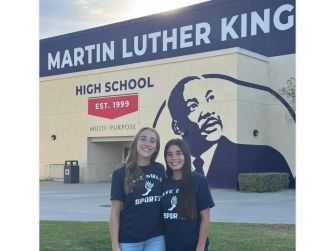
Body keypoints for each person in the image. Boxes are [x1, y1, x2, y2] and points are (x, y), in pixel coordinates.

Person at [167, 74, 295, 189]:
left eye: (210, 99)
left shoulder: (271, 155)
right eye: (193, 106)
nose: (209, 111)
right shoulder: (172, 167)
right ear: (177, 126)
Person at [109, 127, 166, 251]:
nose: (147, 144)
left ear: (156, 147)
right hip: (129, 240)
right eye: (143, 139)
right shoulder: (120, 173)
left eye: (152, 141)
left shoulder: (160, 169)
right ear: (136, 143)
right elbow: (115, 211)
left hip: (156, 238)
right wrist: (115, 245)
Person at [161, 138, 215, 251]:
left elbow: (205, 217)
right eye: (169, 154)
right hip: (168, 247)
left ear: (186, 155)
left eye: (179, 153)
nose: (174, 158)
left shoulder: (199, 180)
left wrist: (200, 248)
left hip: (193, 246)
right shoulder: (163, 183)